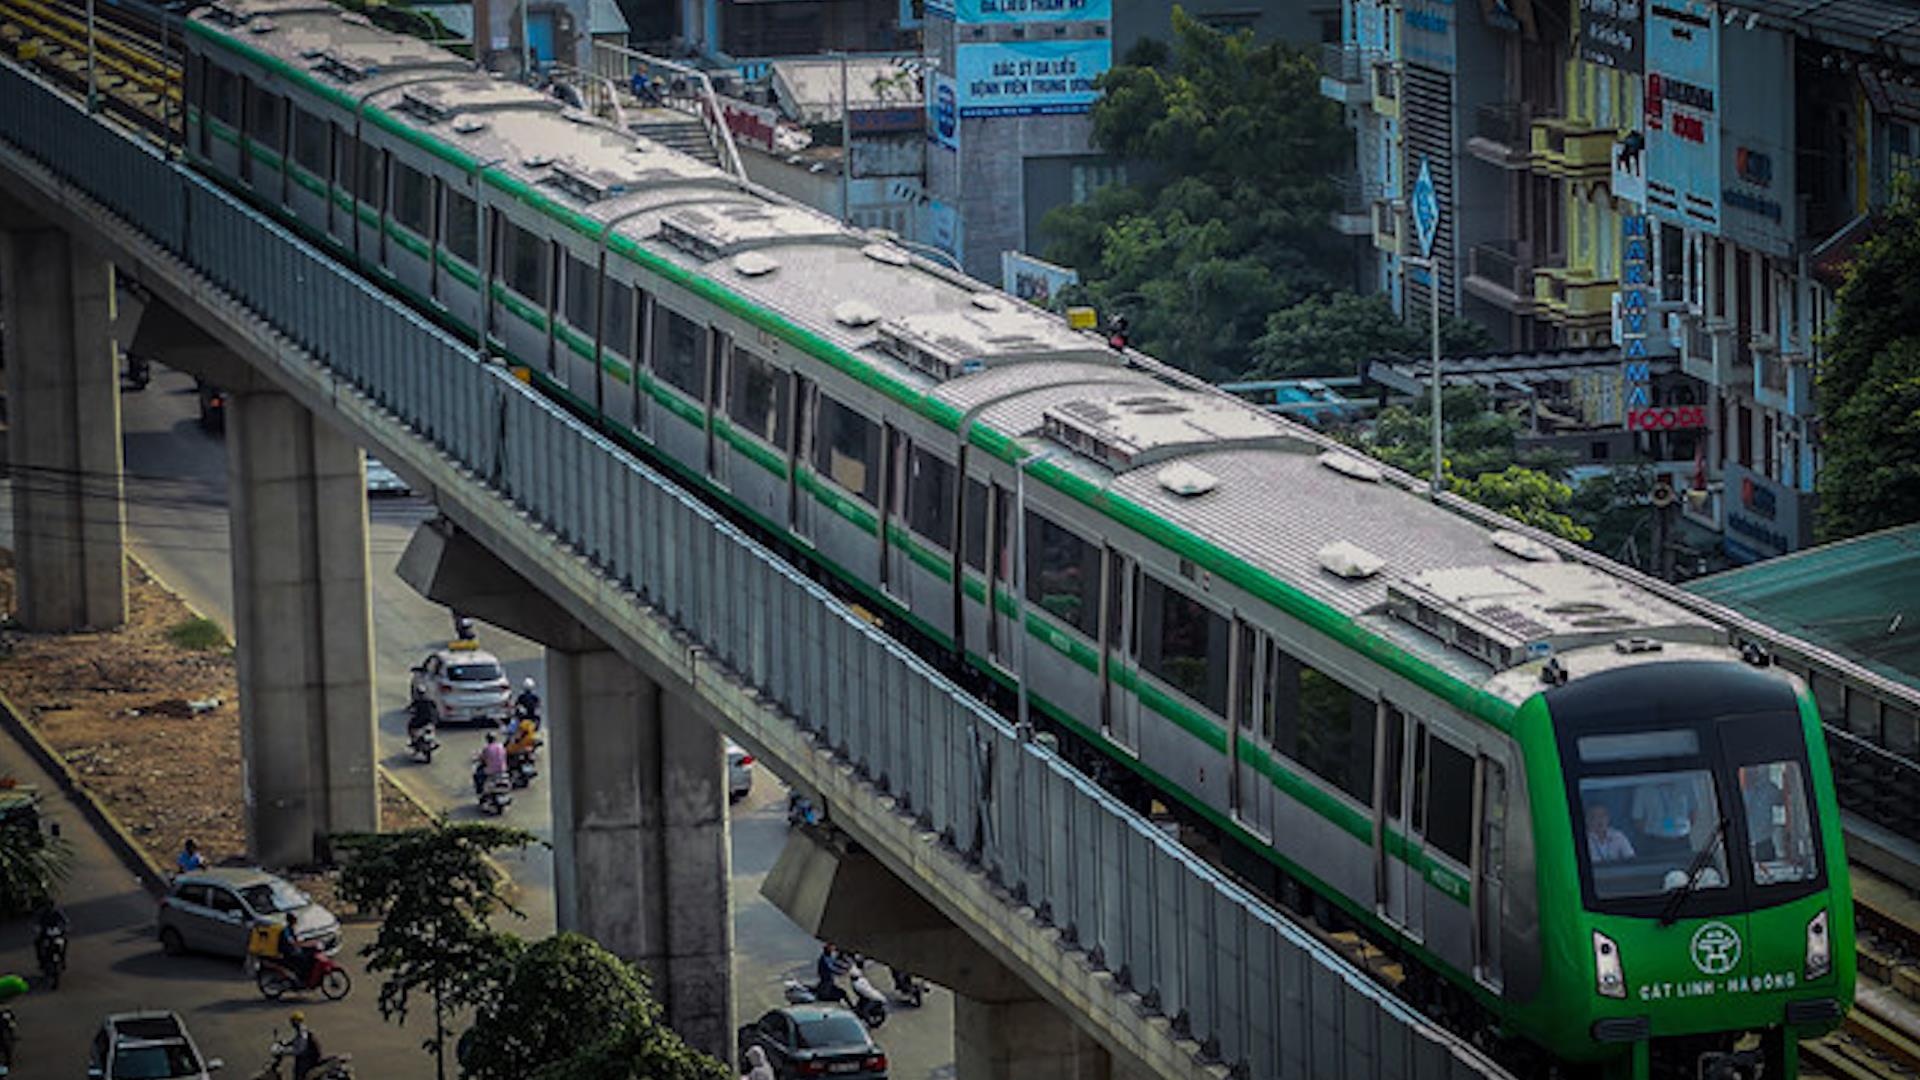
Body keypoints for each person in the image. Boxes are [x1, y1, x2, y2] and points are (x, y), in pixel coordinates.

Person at [1631, 777, 1697, 845]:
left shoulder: (1685, 782)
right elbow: (1638, 819)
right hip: (1655, 841)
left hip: (1682, 838)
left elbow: (1693, 812)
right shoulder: (1643, 787)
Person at [277, 913, 314, 987]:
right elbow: (291, 942)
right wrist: (301, 944)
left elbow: (296, 940)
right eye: (294, 919)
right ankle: (300, 979)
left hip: (292, 949)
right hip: (287, 952)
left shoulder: (291, 928)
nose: (296, 921)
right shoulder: (286, 930)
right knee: (303, 960)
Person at [286, 1011, 322, 1079]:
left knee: (300, 1074)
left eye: (293, 1021)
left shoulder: (303, 1032)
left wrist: (288, 1051)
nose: (292, 1023)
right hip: (307, 1055)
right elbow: (296, 1040)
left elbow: (300, 1048)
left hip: (309, 1057)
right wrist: (286, 1043)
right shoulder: (300, 1029)